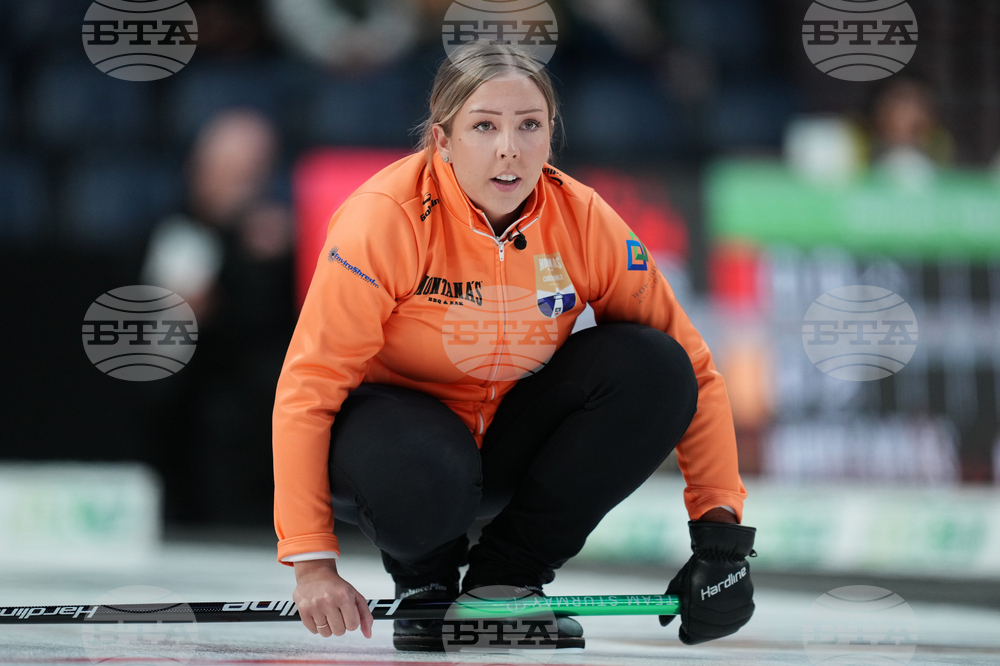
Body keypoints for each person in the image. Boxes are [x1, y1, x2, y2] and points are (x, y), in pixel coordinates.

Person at [272, 42, 755, 652]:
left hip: (504, 443)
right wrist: (312, 564)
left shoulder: (584, 219)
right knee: (426, 470)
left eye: (529, 125)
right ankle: (426, 578)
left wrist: (719, 539)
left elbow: (697, 374)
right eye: (484, 126)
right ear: (442, 140)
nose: (510, 148)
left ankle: (507, 578)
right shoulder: (384, 219)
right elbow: (306, 390)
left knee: (657, 364)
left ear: (551, 136)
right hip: (394, 456)